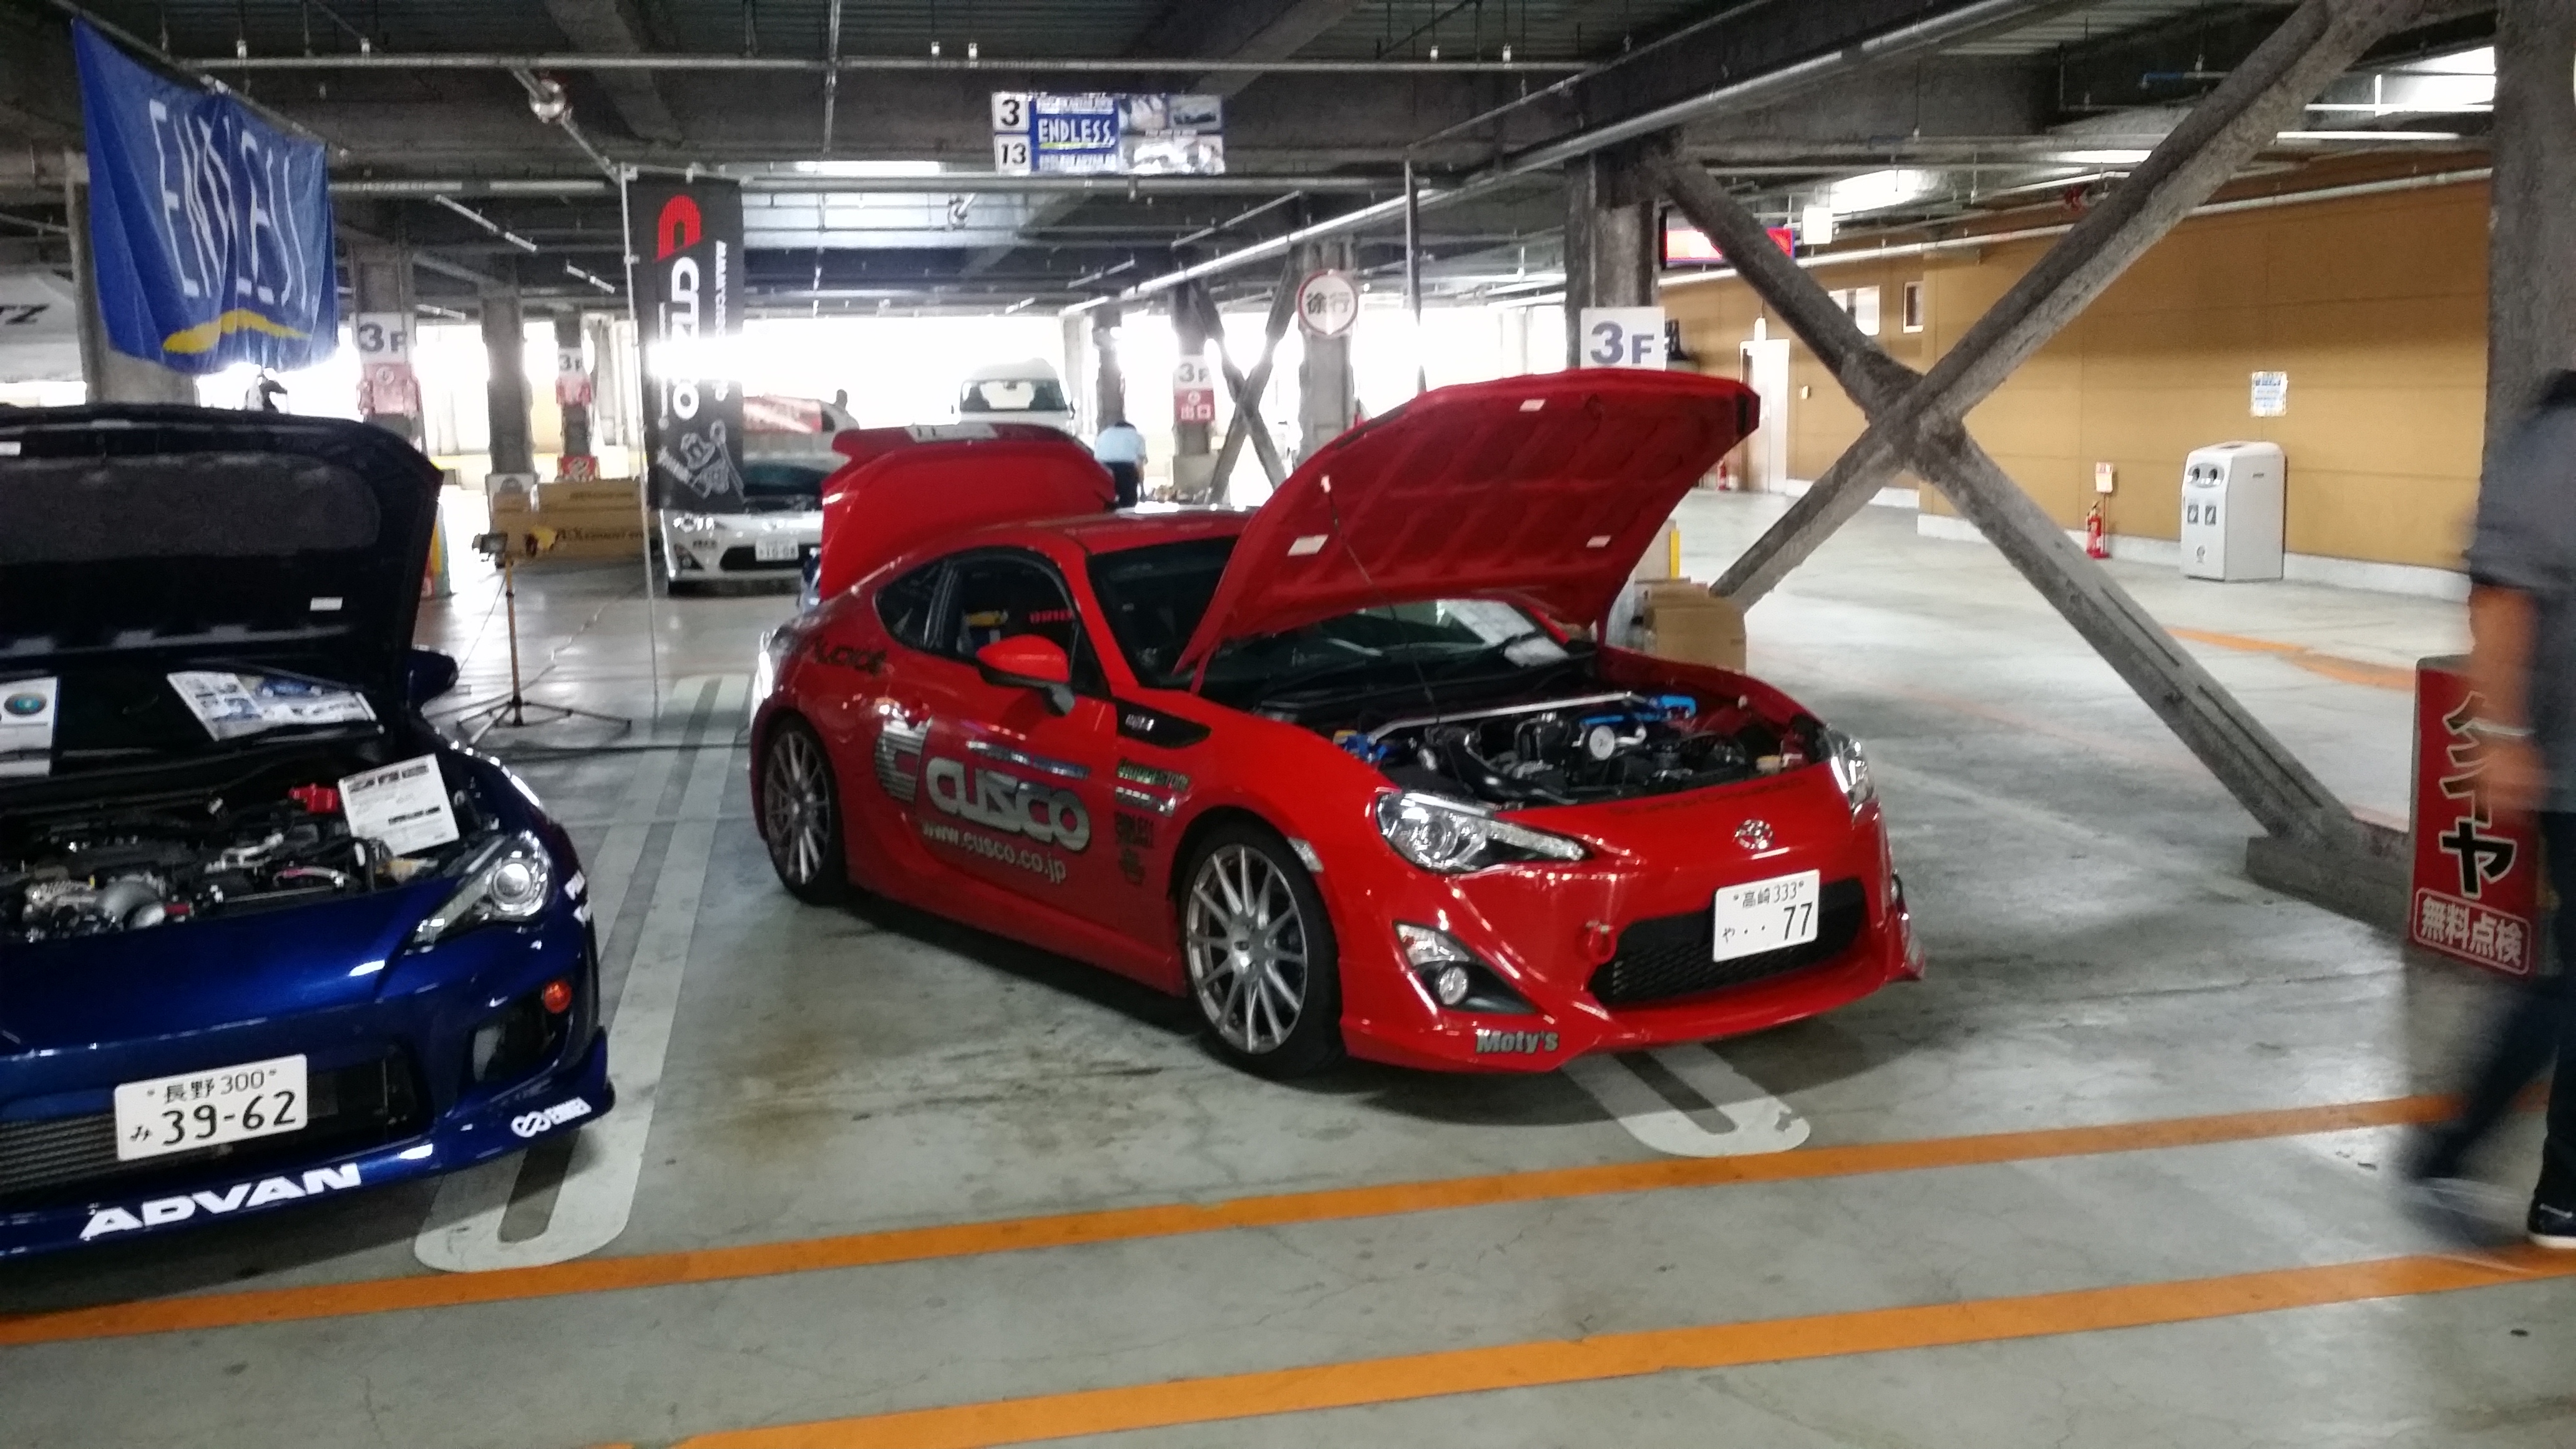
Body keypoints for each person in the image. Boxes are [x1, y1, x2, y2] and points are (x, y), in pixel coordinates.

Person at [2408, 369, 2576, 1249]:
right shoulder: (2559, 443)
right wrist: (2504, 733)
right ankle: (2457, 1154)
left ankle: (2553, 1188)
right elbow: (2502, 595)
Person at [1093, 416, 1146, 508]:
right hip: (1126, 470)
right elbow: (1139, 466)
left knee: (1107, 504)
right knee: (1128, 505)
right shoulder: (1136, 436)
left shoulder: (1103, 435)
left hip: (1104, 470)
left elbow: (1096, 459)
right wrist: (1142, 491)